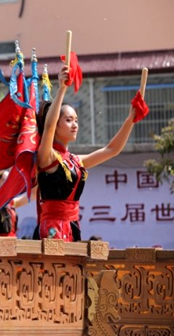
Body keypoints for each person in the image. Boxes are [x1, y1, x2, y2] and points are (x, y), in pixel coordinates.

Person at [35, 64, 140, 242]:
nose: (75, 125)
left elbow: (112, 149)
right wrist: (61, 89)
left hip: (72, 226)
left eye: (76, 120)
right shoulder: (47, 157)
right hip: (51, 230)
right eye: (68, 120)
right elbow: (49, 127)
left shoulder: (76, 161)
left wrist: (131, 119)